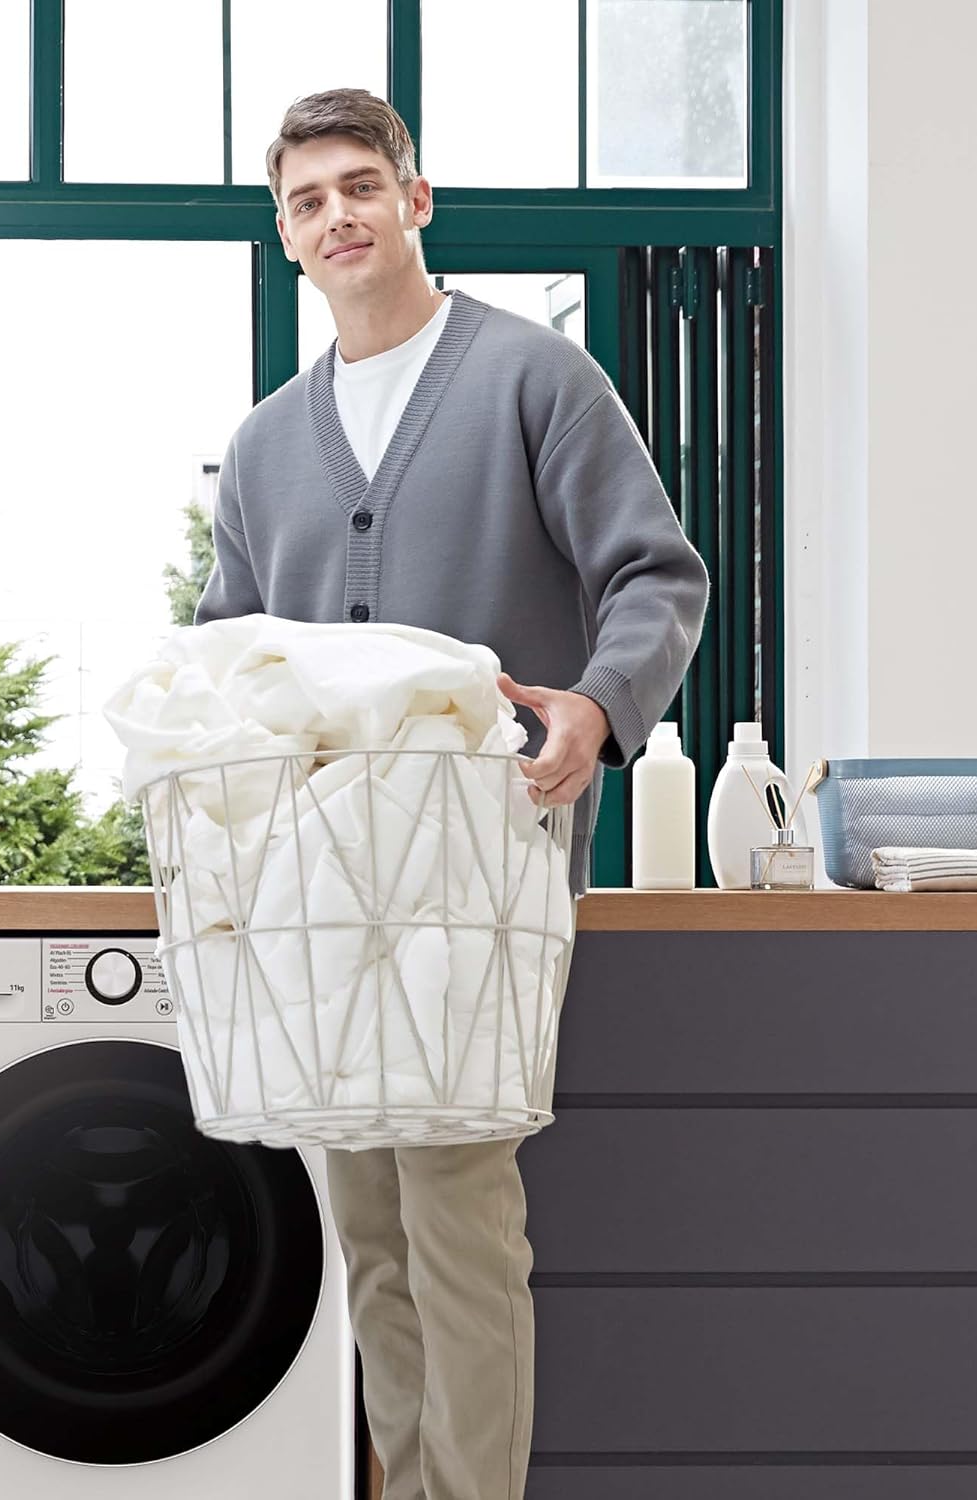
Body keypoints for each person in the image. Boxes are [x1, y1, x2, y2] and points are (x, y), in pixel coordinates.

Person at [195, 87, 708, 1500]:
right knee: (369, 1233)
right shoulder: (261, 448)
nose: (338, 214)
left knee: (461, 1224)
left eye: (363, 184)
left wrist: (600, 709)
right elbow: (226, 655)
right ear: (285, 235)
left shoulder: (534, 379)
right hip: (318, 891)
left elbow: (656, 574)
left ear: (418, 202)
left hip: (478, 874)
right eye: (308, 199)